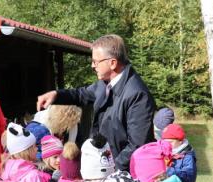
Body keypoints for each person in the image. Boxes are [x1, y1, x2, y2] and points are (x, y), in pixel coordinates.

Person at [36, 34, 156, 171]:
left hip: (122, 174)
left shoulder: (138, 95)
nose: (93, 66)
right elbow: (81, 94)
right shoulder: (105, 83)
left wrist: (109, 169)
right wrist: (56, 95)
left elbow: (137, 145)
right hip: (103, 166)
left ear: (112, 63)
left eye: (96, 61)